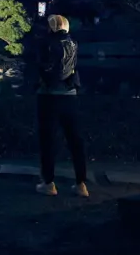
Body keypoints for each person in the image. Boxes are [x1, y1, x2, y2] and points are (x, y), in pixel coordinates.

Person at [34, 14, 88, 197]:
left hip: (49, 97)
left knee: (48, 140)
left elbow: (41, 67)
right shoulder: (73, 43)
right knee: (75, 140)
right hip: (70, 96)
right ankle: (81, 184)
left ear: (51, 27)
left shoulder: (46, 43)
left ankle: (49, 183)